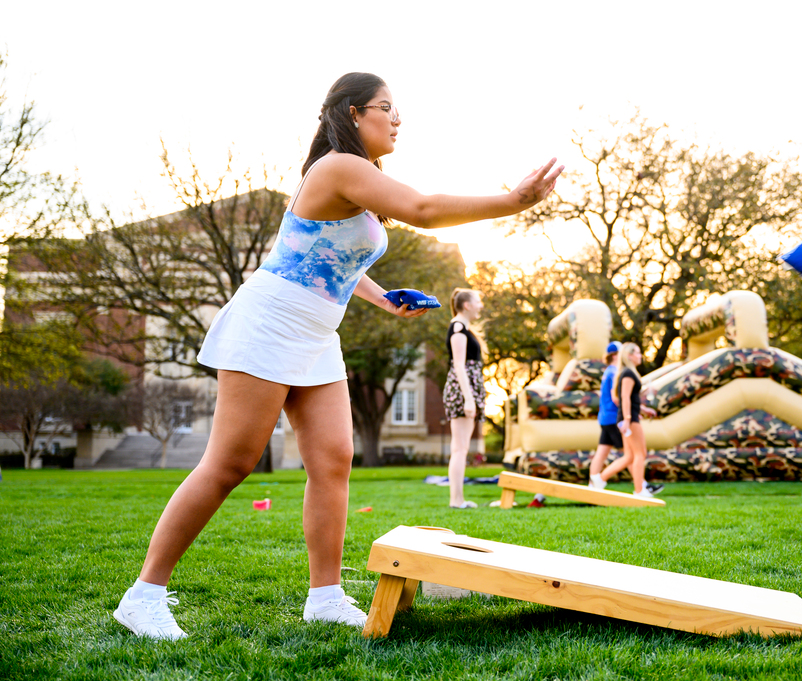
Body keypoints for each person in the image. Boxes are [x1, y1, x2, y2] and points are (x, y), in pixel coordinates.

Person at [112, 72, 563, 640]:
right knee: (231, 462)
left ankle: (324, 596)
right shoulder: (338, 166)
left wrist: (379, 297)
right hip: (271, 321)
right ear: (353, 113)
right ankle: (144, 594)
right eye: (386, 107)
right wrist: (511, 201)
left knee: (333, 460)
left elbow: (331, 255)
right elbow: (422, 208)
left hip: (317, 333)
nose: (398, 118)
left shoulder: (363, 175)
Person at [589, 343, 662, 497]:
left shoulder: (616, 372)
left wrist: (640, 409)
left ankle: (598, 480)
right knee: (638, 454)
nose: (640, 355)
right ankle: (639, 488)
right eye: (637, 352)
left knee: (625, 455)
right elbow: (622, 398)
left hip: (612, 417)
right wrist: (628, 417)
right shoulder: (621, 373)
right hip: (616, 417)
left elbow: (628, 398)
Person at [443, 288, 486, 509]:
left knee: (461, 448)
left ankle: (458, 499)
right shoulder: (458, 328)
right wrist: (469, 400)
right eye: (478, 301)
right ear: (467, 305)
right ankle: (456, 500)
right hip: (462, 392)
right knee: (460, 448)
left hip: (465, 390)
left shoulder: (462, 327)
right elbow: (459, 366)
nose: (481, 305)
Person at [589, 341, 623, 488]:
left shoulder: (608, 371)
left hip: (605, 418)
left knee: (601, 452)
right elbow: (616, 397)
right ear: (615, 356)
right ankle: (641, 484)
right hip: (613, 417)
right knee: (629, 454)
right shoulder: (614, 372)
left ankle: (592, 484)